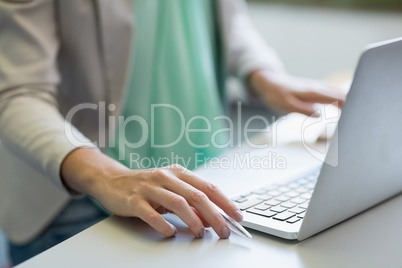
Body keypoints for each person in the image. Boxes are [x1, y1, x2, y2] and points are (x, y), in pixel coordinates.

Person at [0, 0, 345, 265]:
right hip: (77, 201)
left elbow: (225, 17)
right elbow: (17, 93)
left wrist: (260, 72)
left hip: (205, 176)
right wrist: (106, 176)